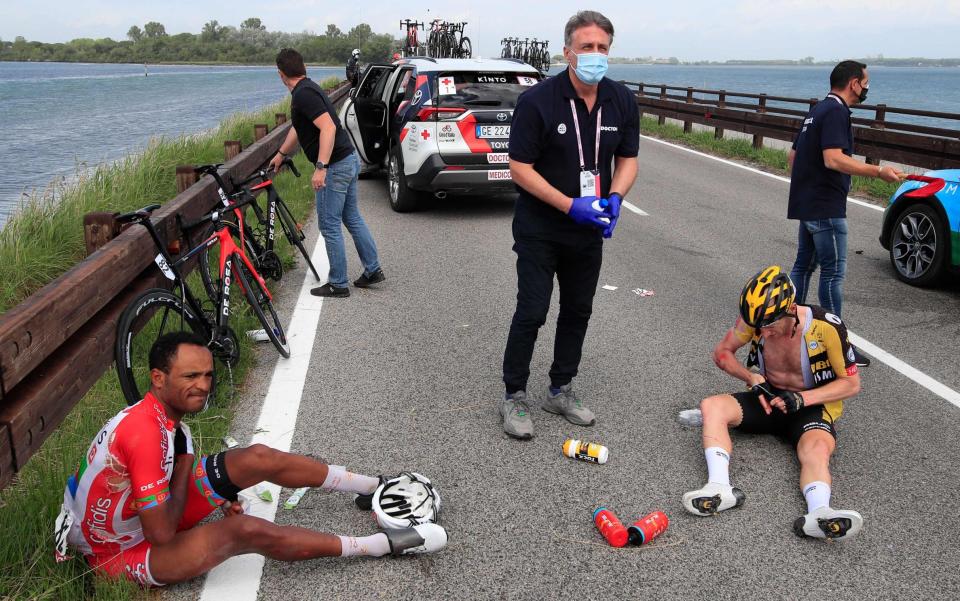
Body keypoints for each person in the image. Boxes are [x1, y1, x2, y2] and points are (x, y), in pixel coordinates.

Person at [56, 332, 446, 588]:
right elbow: (161, 533)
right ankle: (380, 545)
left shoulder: (162, 418)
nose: (203, 385)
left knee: (255, 457)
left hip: (138, 518)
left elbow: (159, 479)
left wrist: (207, 489)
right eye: (190, 375)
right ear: (158, 378)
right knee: (242, 532)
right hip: (113, 554)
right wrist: (189, 467)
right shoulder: (145, 432)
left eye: (208, 375)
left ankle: (372, 485)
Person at [499, 10, 639, 439]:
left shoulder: (621, 100)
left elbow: (628, 160)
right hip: (541, 226)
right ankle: (515, 394)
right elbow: (518, 168)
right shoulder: (538, 100)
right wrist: (568, 205)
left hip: (588, 231)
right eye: (586, 47)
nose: (595, 55)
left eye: (602, 48)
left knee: (578, 309)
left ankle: (560, 388)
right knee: (534, 309)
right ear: (568, 52)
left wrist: (615, 198)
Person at [682, 266, 864, 540]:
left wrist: (803, 398)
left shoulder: (827, 326)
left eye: (770, 325)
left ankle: (820, 512)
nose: (763, 333)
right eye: (759, 327)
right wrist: (751, 377)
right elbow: (722, 354)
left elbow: (851, 384)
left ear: (791, 308)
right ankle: (719, 487)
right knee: (712, 406)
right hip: (768, 399)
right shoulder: (756, 320)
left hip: (810, 405)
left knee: (816, 449)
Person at [787, 60, 905, 367]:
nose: (866, 88)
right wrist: (878, 171)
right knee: (832, 272)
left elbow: (794, 156)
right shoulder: (837, 112)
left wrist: (808, 186)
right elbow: (834, 159)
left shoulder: (816, 110)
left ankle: (789, 327)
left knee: (803, 265)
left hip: (808, 203)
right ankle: (836, 342)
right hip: (826, 207)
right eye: (865, 82)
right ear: (853, 83)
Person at [269, 48, 384, 298]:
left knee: (329, 224)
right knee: (352, 217)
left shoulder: (303, 95)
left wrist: (321, 168)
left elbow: (328, 128)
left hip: (335, 166)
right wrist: (280, 155)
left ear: (280, 74)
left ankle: (338, 283)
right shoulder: (308, 90)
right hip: (348, 159)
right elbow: (300, 129)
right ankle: (372, 270)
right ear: (304, 68)